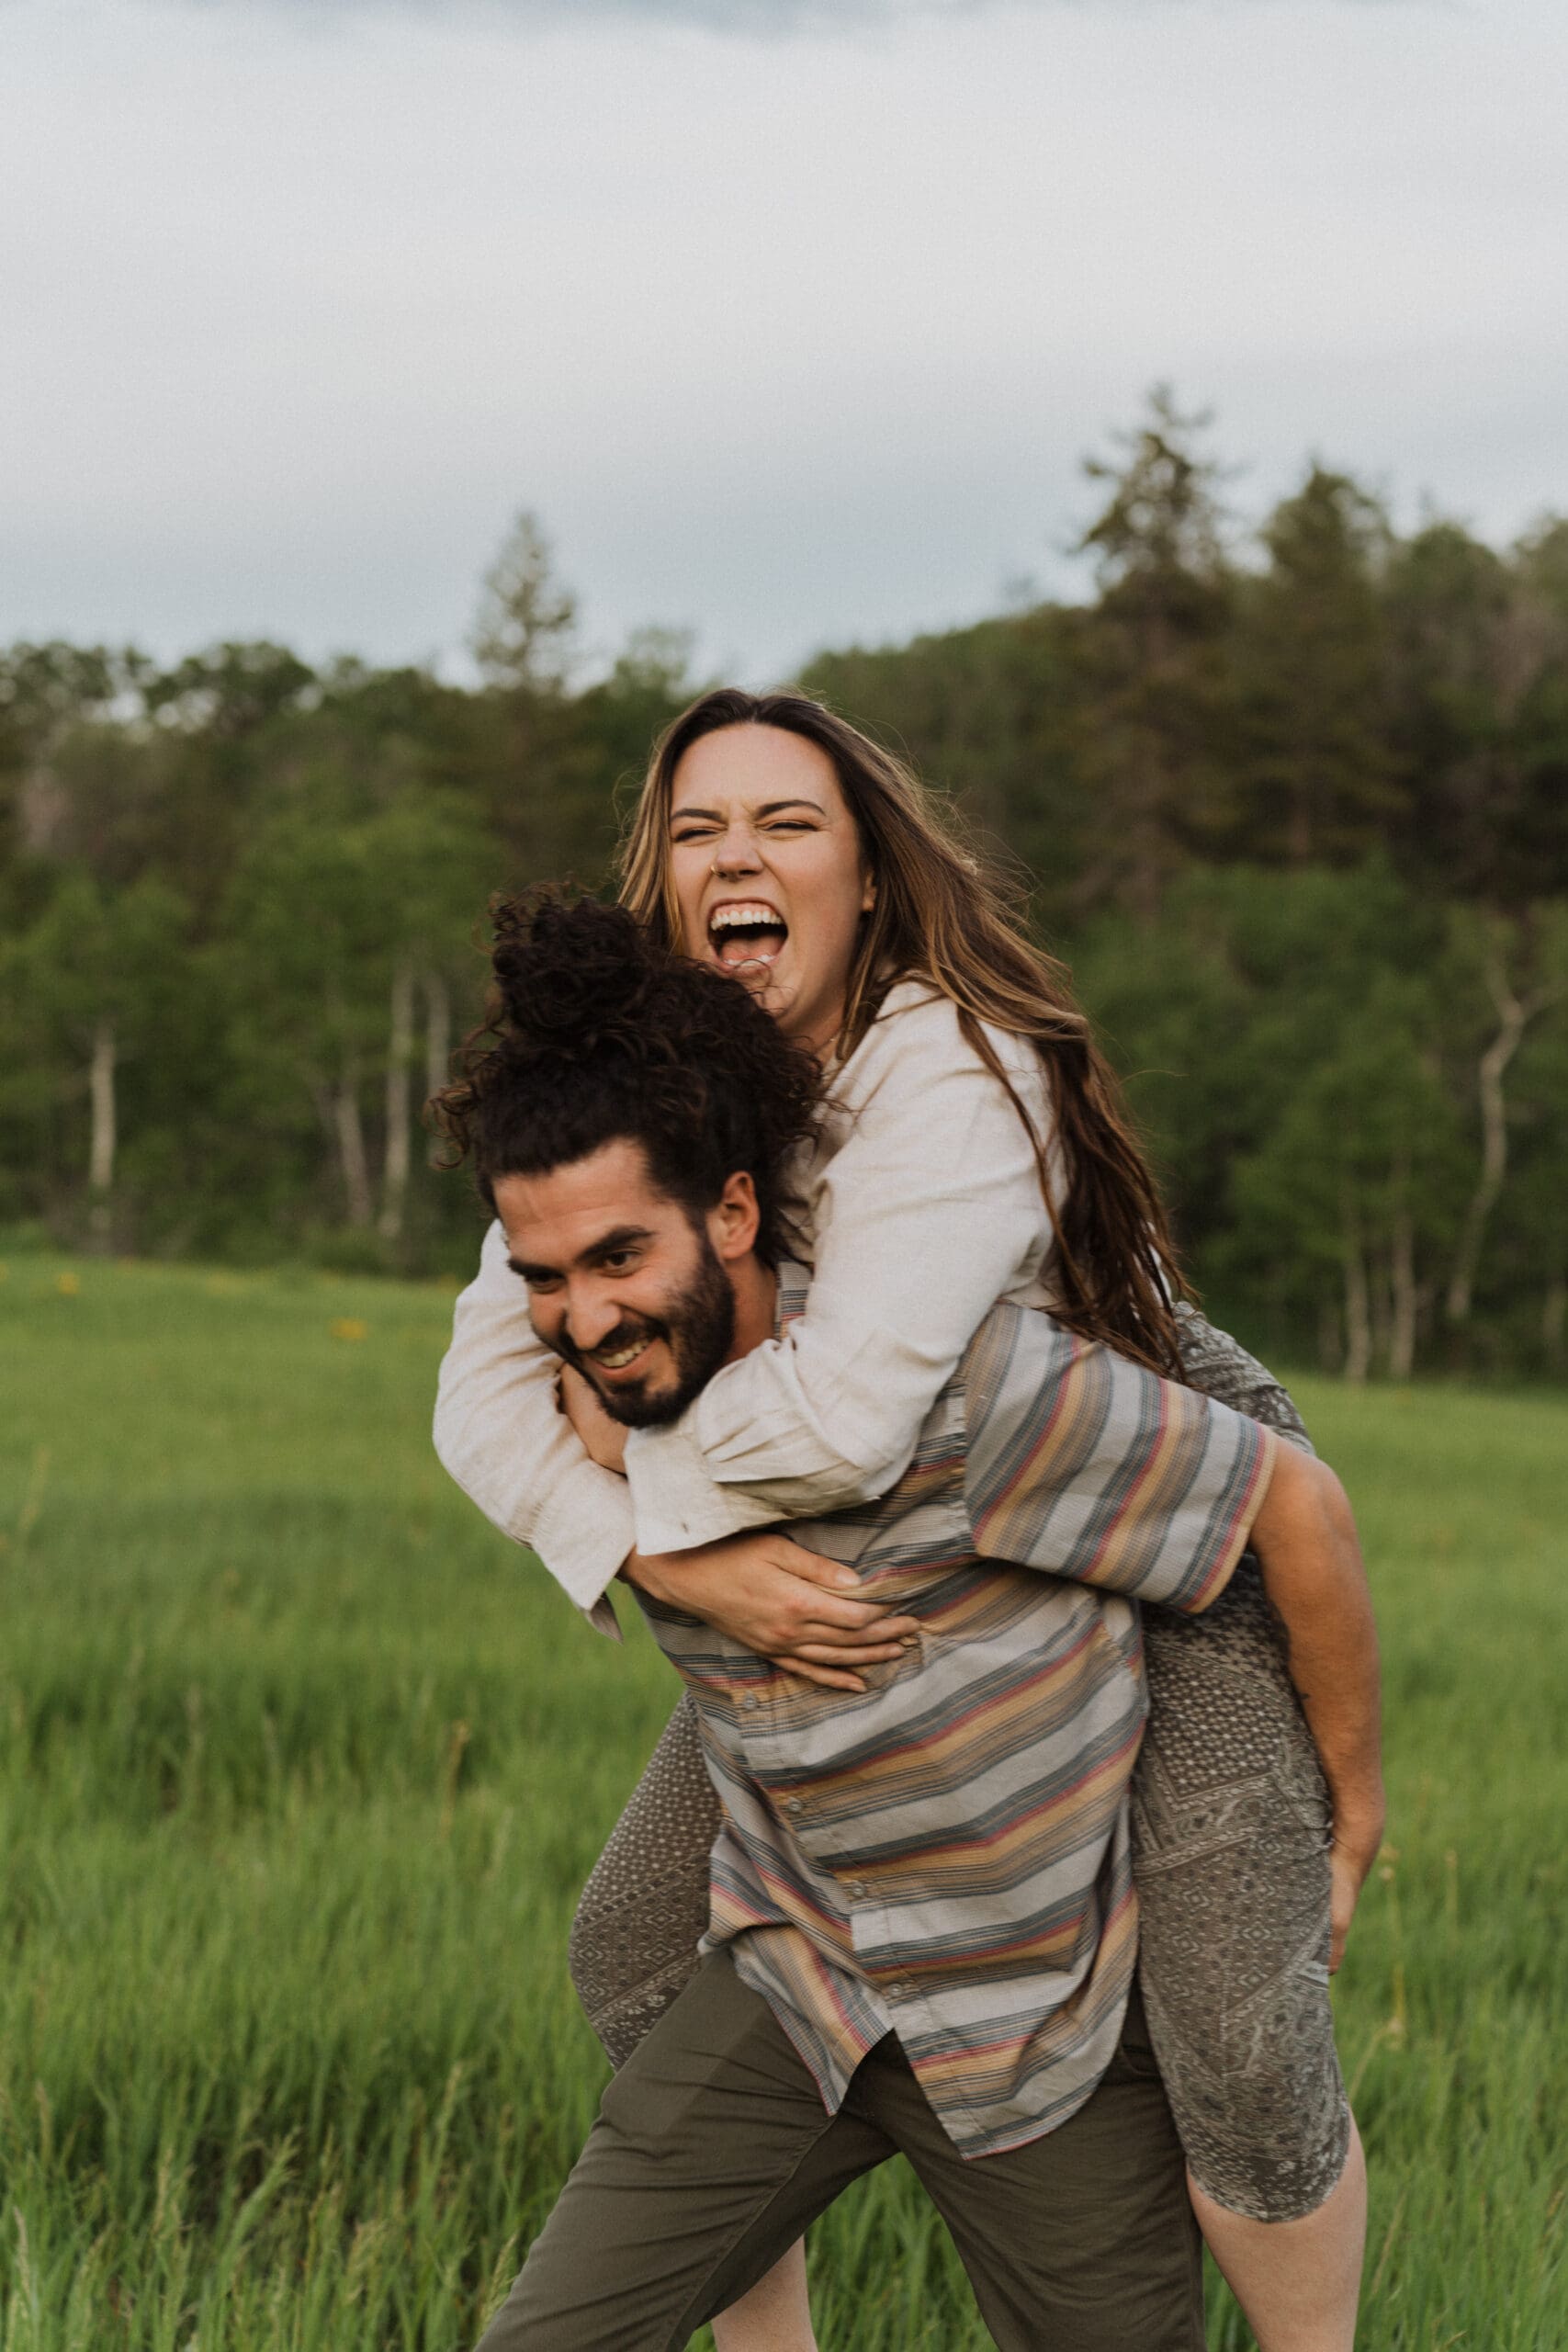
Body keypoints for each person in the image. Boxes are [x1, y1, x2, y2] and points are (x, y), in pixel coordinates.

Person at [434, 691, 1382, 2350]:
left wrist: (1355, 1797)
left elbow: (859, 1414)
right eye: (697, 828)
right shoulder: (654, 1092)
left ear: (871, 874)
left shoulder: (945, 1062)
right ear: (660, 878)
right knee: (637, 1943)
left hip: (1168, 1497)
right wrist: (664, 1557)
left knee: (1235, 2032)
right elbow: (482, 1382)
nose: (738, 855)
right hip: (906, 1520)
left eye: (787, 824)